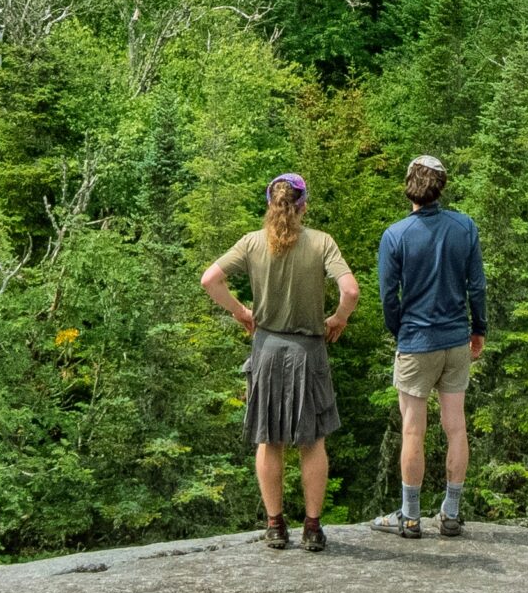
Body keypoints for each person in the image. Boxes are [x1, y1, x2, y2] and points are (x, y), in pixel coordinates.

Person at [201, 173, 358, 553]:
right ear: (303, 205)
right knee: (312, 440)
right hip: (309, 351)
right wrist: (338, 318)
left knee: (269, 440)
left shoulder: (252, 243)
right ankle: (313, 528)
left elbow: (210, 279)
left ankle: (275, 526)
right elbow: (351, 289)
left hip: (267, 348)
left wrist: (241, 311)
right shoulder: (321, 243)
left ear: (270, 203)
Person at [372, 154, 486, 539]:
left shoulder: (396, 235)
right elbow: (477, 287)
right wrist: (479, 329)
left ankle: (409, 516)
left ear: (410, 185)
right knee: (456, 427)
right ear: (442, 186)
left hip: (416, 341)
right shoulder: (464, 227)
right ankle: (451, 514)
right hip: (455, 340)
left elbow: (388, 295)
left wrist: (398, 329)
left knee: (412, 431)